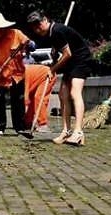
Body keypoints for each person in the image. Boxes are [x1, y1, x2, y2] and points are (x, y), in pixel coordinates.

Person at [27, 11, 92, 146]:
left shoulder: (56, 31)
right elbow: (62, 50)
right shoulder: (51, 34)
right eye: (34, 28)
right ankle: (66, 131)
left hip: (81, 59)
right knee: (63, 95)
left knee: (75, 93)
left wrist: (53, 69)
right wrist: (55, 53)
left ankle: (78, 132)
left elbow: (67, 54)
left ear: (45, 20)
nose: (37, 29)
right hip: (71, 62)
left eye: (38, 25)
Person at [0, 12, 31, 137]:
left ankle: (19, 127)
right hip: (1, 77)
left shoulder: (16, 34)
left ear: (3, 27)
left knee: (18, 102)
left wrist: (27, 44)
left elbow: (33, 46)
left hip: (17, 75)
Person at [24, 64, 57, 132]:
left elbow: (25, 96)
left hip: (47, 75)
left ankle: (43, 124)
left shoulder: (22, 74)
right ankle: (28, 123)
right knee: (32, 98)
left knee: (39, 98)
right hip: (36, 78)